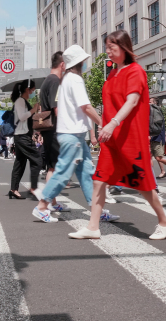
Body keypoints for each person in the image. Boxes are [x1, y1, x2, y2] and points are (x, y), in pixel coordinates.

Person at [71, 30, 166, 240]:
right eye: (106, 47)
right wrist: (103, 126)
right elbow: (110, 106)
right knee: (99, 180)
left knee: (142, 184)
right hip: (112, 138)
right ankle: (92, 227)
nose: (107, 51)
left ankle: (164, 220)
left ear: (124, 47)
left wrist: (112, 124)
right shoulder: (112, 74)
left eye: (111, 47)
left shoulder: (135, 71)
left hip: (130, 137)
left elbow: (132, 101)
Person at [33, 45, 109, 223]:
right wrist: (102, 124)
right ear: (80, 62)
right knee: (63, 172)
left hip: (74, 133)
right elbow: (86, 107)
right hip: (72, 134)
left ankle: (96, 209)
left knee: (86, 171)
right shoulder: (74, 80)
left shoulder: (65, 79)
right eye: (83, 61)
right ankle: (42, 206)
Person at [8, 79, 43, 199]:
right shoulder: (20, 101)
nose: (32, 93)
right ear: (27, 90)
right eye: (32, 90)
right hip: (22, 137)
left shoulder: (23, 101)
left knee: (20, 164)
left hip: (23, 136)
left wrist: (36, 111)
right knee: (37, 159)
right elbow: (23, 117)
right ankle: (33, 188)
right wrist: (33, 110)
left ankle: (13, 189)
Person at [39, 51, 64, 182]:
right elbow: (56, 107)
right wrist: (63, 128)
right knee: (55, 166)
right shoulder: (54, 81)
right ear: (62, 64)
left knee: (52, 167)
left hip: (47, 129)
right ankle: (48, 200)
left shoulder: (47, 80)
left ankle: (50, 200)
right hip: (54, 129)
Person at [150, 98, 166, 179]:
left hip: (157, 138)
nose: (148, 103)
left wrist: (151, 135)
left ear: (154, 103)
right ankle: (152, 176)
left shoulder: (156, 112)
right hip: (152, 138)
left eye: (150, 102)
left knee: (159, 158)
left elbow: (157, 127)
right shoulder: (151, 112)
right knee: (150, 157)